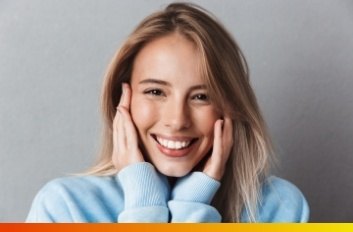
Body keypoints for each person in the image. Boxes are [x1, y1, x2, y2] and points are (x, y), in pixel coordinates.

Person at [26, 2, 309, 222]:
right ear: (123, 100)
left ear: (230, 106)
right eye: (155, 92)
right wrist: (143, 201)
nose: (177, 120)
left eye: (201, 96)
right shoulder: (64, 207)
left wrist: (192, 206)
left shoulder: (281, 208)